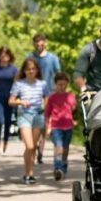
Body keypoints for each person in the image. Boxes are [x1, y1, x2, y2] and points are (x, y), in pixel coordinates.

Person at [9, 58, 47, 184]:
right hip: (24, 116)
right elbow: (11, 101)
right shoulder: (19, 84)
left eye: (33, 69)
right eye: (28, 69)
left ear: (36, 70)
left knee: (33, 148)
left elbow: (47, 99)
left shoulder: (42, 84)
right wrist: (20, 101)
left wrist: (46, 111)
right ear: (24, 71)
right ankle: (27, 173)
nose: (31, 71)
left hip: (38, 116)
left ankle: (30, 174)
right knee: (29, 146)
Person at [27, 33, 62, 165]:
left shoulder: (52, 58)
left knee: (45, 123)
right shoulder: (30, 57)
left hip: (50, 94)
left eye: (41, 42)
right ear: (34, 43)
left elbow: (59, 75)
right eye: (36, 42)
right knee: (34, 122)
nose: (38, 44)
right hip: (33, 94)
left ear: (45, 43)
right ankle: (35, 148)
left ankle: (40, 149)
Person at [45, 71, 76, 181]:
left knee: (66, 148)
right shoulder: (52, 97)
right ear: (55, 84)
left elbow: (73, 110)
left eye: (64, 84)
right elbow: (47, 114)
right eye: (59, 84)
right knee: (58, 146)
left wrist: (74, 120)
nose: (62, 87)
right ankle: (57, 167)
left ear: (67, 84)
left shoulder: (71, 96)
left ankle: (64, 166)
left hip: (68, 126)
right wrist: (48, 128)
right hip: (55, 126)